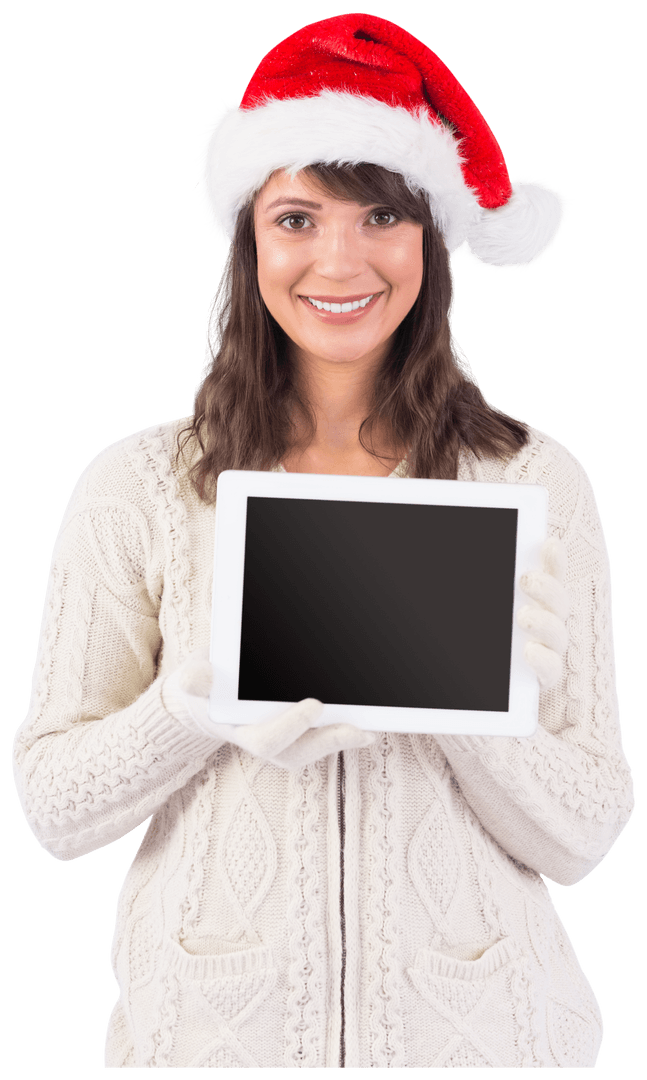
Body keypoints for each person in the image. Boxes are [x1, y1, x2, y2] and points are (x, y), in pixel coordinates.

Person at [12, 12, 634, 1070]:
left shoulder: (533, 480)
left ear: (429, 236)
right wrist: (193, 704)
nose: (337, 259)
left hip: (485, 1042)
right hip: (209, 1042)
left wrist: (458, 686)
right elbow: (56, 812)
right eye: (296, 217)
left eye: (380, 214)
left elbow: (582, 837)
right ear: (247, 238)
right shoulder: (139, 486)